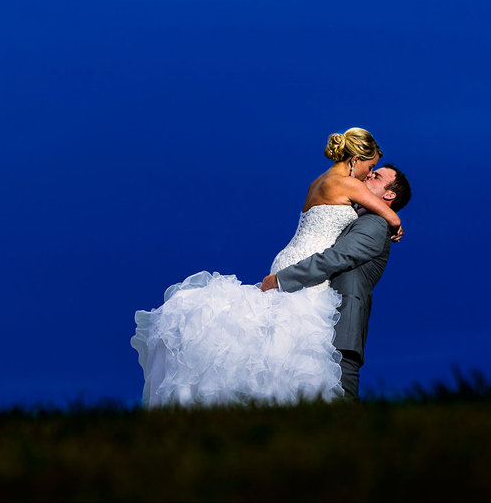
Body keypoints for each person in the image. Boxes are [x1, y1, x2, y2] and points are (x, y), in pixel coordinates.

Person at [131, 127, 403, 406]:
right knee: (296, 350)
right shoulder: (350, 184)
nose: (369, 174)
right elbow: (387, 214)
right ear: (356, 159)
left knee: (273, 341)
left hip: (288, 256)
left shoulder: (318, 182)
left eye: (375, 172)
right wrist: (396, 224)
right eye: (370, 167)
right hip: (303, 268)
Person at [259, 162, 411, 400]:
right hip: (321, 321)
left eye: (377, 176)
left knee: (341, 405)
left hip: (341, 330)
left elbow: (338, 258)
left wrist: (282, 279)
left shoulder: (375, 223)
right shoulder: (361, 218)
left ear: (389, 194)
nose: (369, 175)